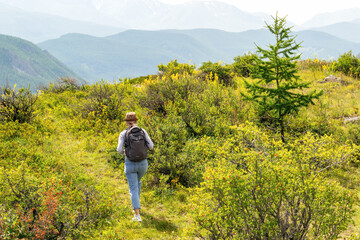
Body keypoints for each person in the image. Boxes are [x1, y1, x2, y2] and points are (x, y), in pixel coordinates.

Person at [117, 112, 154, 222]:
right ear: (136, 121)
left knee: (133, 188)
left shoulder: (123, 133)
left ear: (126, 122)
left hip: (130, 163)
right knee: (137, 183)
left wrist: (126, 152)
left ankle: (137, 215)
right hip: (143, 164)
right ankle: (136, 206)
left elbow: (119, 150)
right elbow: (151, 146)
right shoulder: (143, 131)